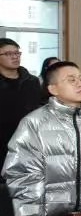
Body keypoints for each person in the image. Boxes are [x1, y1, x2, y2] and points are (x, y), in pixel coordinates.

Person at [2, 61, 81, 216]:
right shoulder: (34, 123)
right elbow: (23, 173)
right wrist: (29, 215)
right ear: (53, 89)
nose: (80, 84)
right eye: (71, 80)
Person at [0, 38, 42, 172]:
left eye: (17, 53)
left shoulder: (32, 81)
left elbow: (39, 108)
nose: (15, 57)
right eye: (8, 54)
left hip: (28, 141)